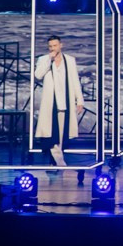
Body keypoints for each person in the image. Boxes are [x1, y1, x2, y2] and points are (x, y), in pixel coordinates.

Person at [34, 35, 84, 167]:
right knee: (51, 134)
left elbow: (75, 81)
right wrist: (48, 60)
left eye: (55, 45)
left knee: (62, 135)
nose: (53, 48)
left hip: (65, 101)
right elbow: (38, 75)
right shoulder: (43, 59)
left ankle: (54, 161)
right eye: (50, 46)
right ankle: (60, 162)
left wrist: (79, 100)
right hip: (51, 103)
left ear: (61, 45)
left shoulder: (70, 60)